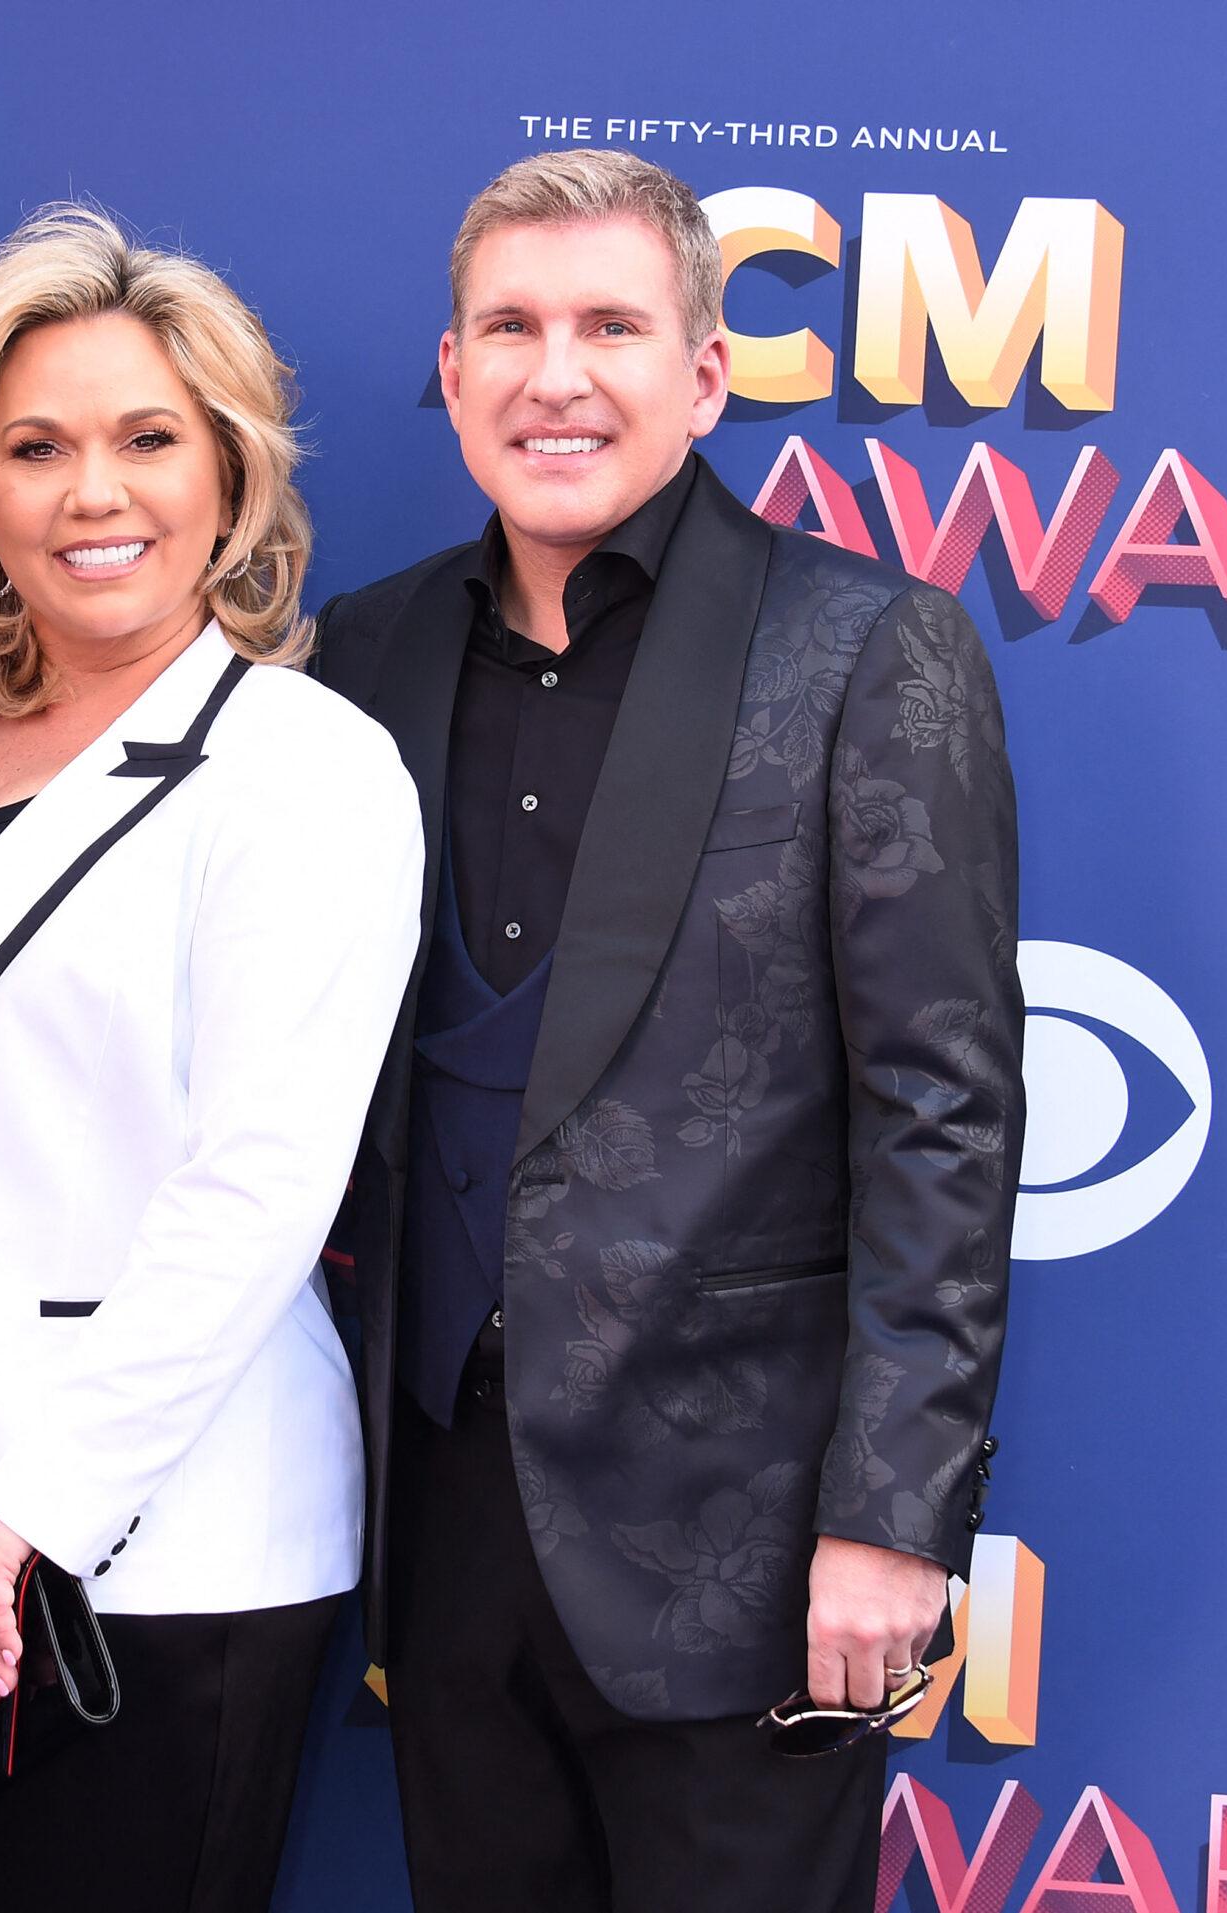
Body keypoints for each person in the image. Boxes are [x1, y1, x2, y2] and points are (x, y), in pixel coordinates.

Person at [313, 149, 1023, 1912]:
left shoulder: (871, 649)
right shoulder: (358, 658)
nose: (558, 373)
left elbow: (942, 1108)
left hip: (752, 1537)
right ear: (456, 371)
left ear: (705, 373)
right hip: (439, 1522)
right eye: (513, 328)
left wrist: (892, 1512)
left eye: (612, 325)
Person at [0, 204, 422, 1910]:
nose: (93, 492)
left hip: (138, 1554)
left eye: (147, 440)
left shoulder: (301, 767)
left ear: (234, 477)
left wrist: (39, 1503)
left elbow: (260, 1181)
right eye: (36, 445)